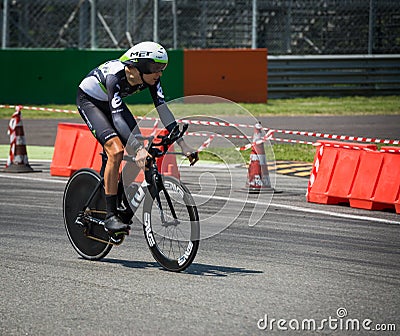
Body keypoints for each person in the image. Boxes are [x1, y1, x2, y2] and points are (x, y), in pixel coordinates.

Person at [76, 41, 198, 232]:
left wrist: (183, 144)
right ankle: (110, 216)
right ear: (138, 67)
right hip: (90, 102)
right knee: (116, 151)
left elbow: (163, 109)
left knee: (141, 150)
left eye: (162, 68)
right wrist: (138, 149)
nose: (160, 73)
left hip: (111, 104)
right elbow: (116, 119)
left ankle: (120, 196)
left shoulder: (152, 79)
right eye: (156, 68)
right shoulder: (115, 76)